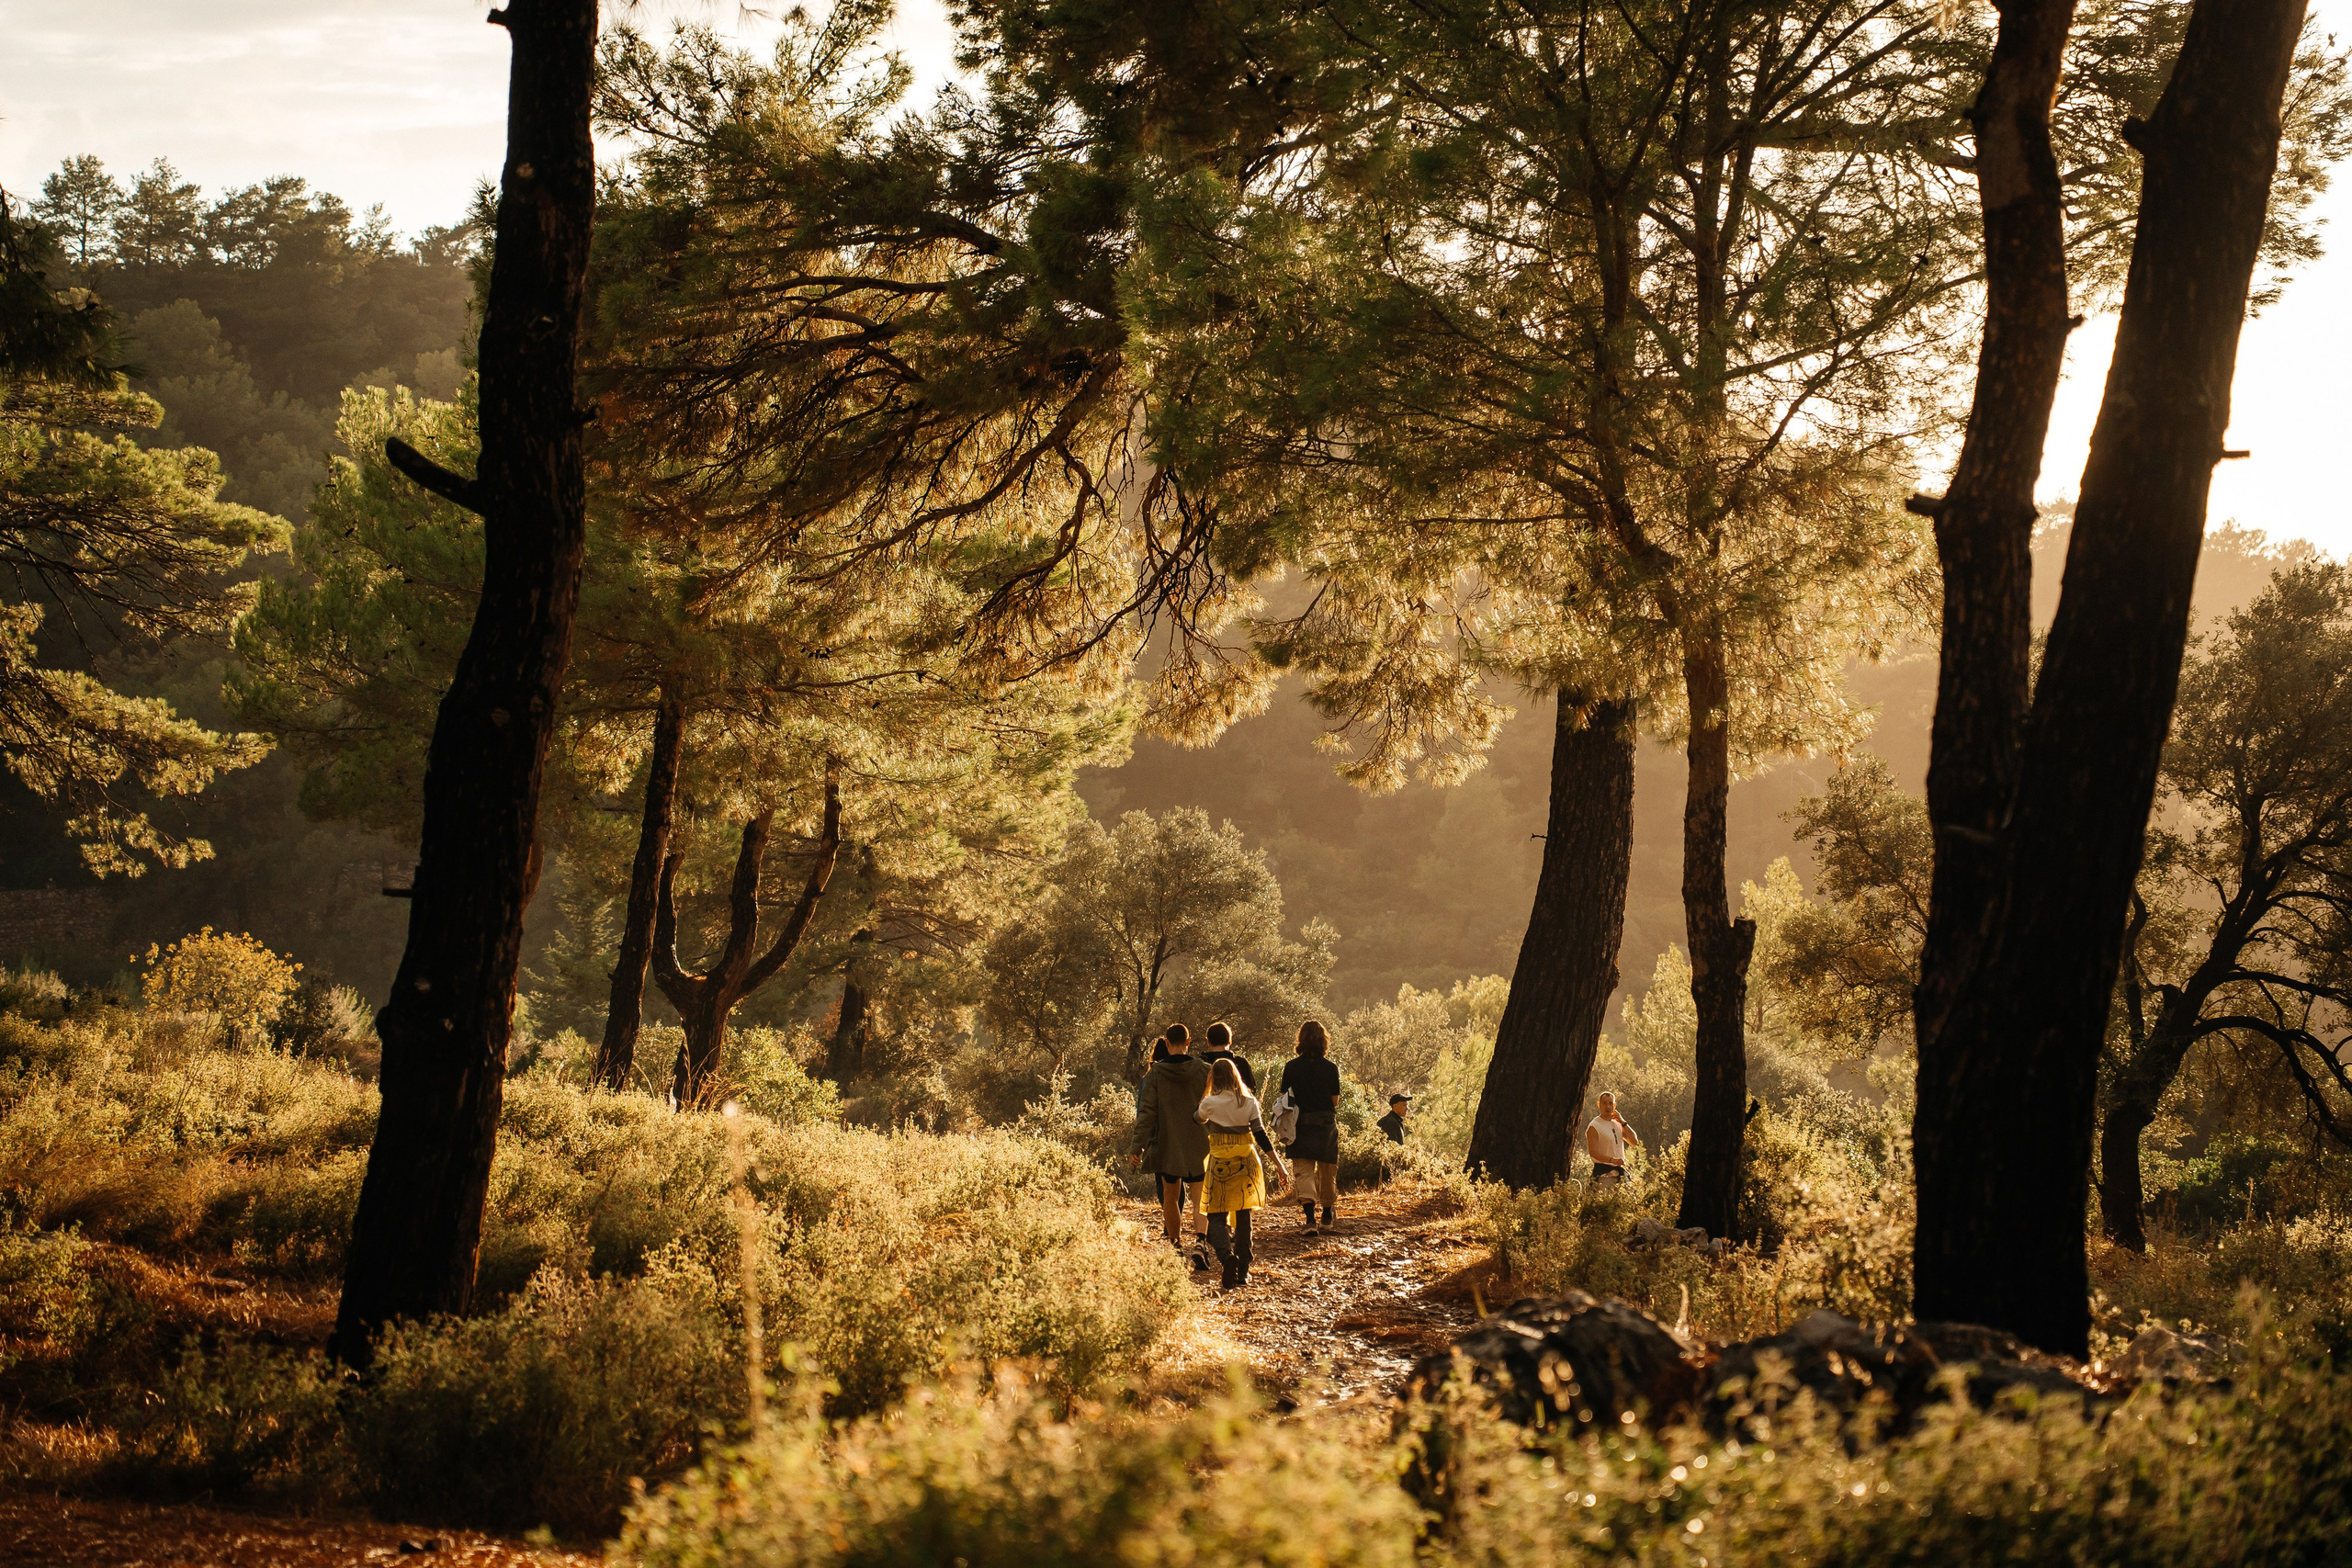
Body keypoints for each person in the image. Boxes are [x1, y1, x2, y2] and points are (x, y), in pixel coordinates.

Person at [1195, 1057, 1287, 1287]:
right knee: (1244, 1215)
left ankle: (1227, 1258)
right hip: (1246, 1164)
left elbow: (1196, 1118)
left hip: (1219, 1166)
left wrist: (1207, 1092)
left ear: (1213, 1079)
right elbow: (1261, 1135)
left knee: (1215, 1215)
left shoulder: (1209, 1103)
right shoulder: (1249, 1102)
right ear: (1236, 1075)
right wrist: (1279, 1165)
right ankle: (1243, 1271)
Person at [1132, 1030, 1211, 1246]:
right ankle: (1201, 1242)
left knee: (1170, 1196)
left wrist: (1137, 1147)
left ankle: (1175, 1244)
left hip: (1169, 1145)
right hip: (1201, 1143)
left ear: (1166, 1043)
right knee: (1199, 1198)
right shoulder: (1206, 1071)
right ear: (1188, 1041)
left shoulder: (1155, 1074)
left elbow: (1147, 1113)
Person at [1279, 1020, 1343, 1233]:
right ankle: (1326, 1213)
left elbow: (1284, 1098)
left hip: (1300, 1124)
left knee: (1303, 1172)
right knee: (1327, 1170)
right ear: (1324, 1041)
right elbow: (1334, 1100)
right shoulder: (1331, 1068)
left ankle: (1309, 1220)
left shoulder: (1291, 1067)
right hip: (1325, 1124)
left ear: (1301, 1041)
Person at [1583, 1091, 1640, 1187]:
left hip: (1619, 1174)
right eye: (1604, 1103)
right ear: (1599, 1105)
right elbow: (1593, 1152)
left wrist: (1623, 1122)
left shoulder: (1618, 1124)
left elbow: (1634, 1142)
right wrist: (1612, 1160)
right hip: (1603, 1175)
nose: (1608, 1107)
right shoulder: (1594, 1126)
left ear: (1614, 1105)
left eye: (1610, 1103)